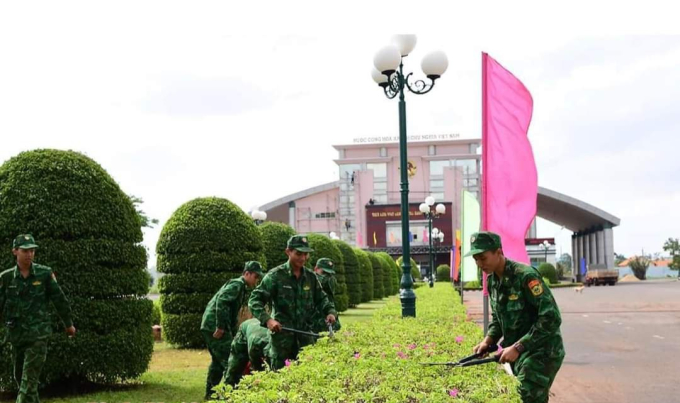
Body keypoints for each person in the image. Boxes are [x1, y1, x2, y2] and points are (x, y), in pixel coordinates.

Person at [468, 231, 564, 403]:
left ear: (498, 252)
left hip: (542, 351)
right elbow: (498, 319)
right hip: (518, 354)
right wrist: (488, 341)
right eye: (476, 259)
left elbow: (551, 318)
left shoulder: (525, 276)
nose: (479, 263)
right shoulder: (492, 282)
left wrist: (519, 347)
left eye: (483, 258)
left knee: (526, 397)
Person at [0, 234, 76, 403]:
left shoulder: (44, 274)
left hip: (38, 335)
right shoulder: (6, 278)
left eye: (32, 250)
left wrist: (68, 324)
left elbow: (59, 299)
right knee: (22, 380)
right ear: (15, 251)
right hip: (17, 336)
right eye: (25, 250)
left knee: (27, 384)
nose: (30, 254)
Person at [248, 235, 337, 370]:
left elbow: (322, 299)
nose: (303, 258)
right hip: (282, 339)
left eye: (305, 254)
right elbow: (255, 300)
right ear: (288, 252)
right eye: (298, 254)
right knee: (279, 378)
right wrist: (268, 320)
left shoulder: (311, 277)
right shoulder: (275, 276)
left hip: (305, 338)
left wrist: (330, 312)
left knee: (306, 376)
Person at [200, 261, 264, 400]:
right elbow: (222, 301)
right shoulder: (237, 284)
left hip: (208, 325)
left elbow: (229, 310)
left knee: (217, 362)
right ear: (247, 273)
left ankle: (211, 395)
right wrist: (220, 327)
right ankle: (233, 396)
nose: (257, 280)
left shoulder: (239, 286)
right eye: (256, 276)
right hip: (213, 326)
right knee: (232, 361)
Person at [224, 318, 270, 388]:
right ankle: (227, 390)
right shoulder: (256, 344)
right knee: (235, 368)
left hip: (259, 333)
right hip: (245, 334)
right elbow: (255, 366)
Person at [309, 258, 341, 333]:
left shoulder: (330, 284)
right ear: (316, 269)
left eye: (330, 274)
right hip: (313, 324)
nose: (327, 277)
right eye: (324, 273)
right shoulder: (308, 282)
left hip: (329, 321)